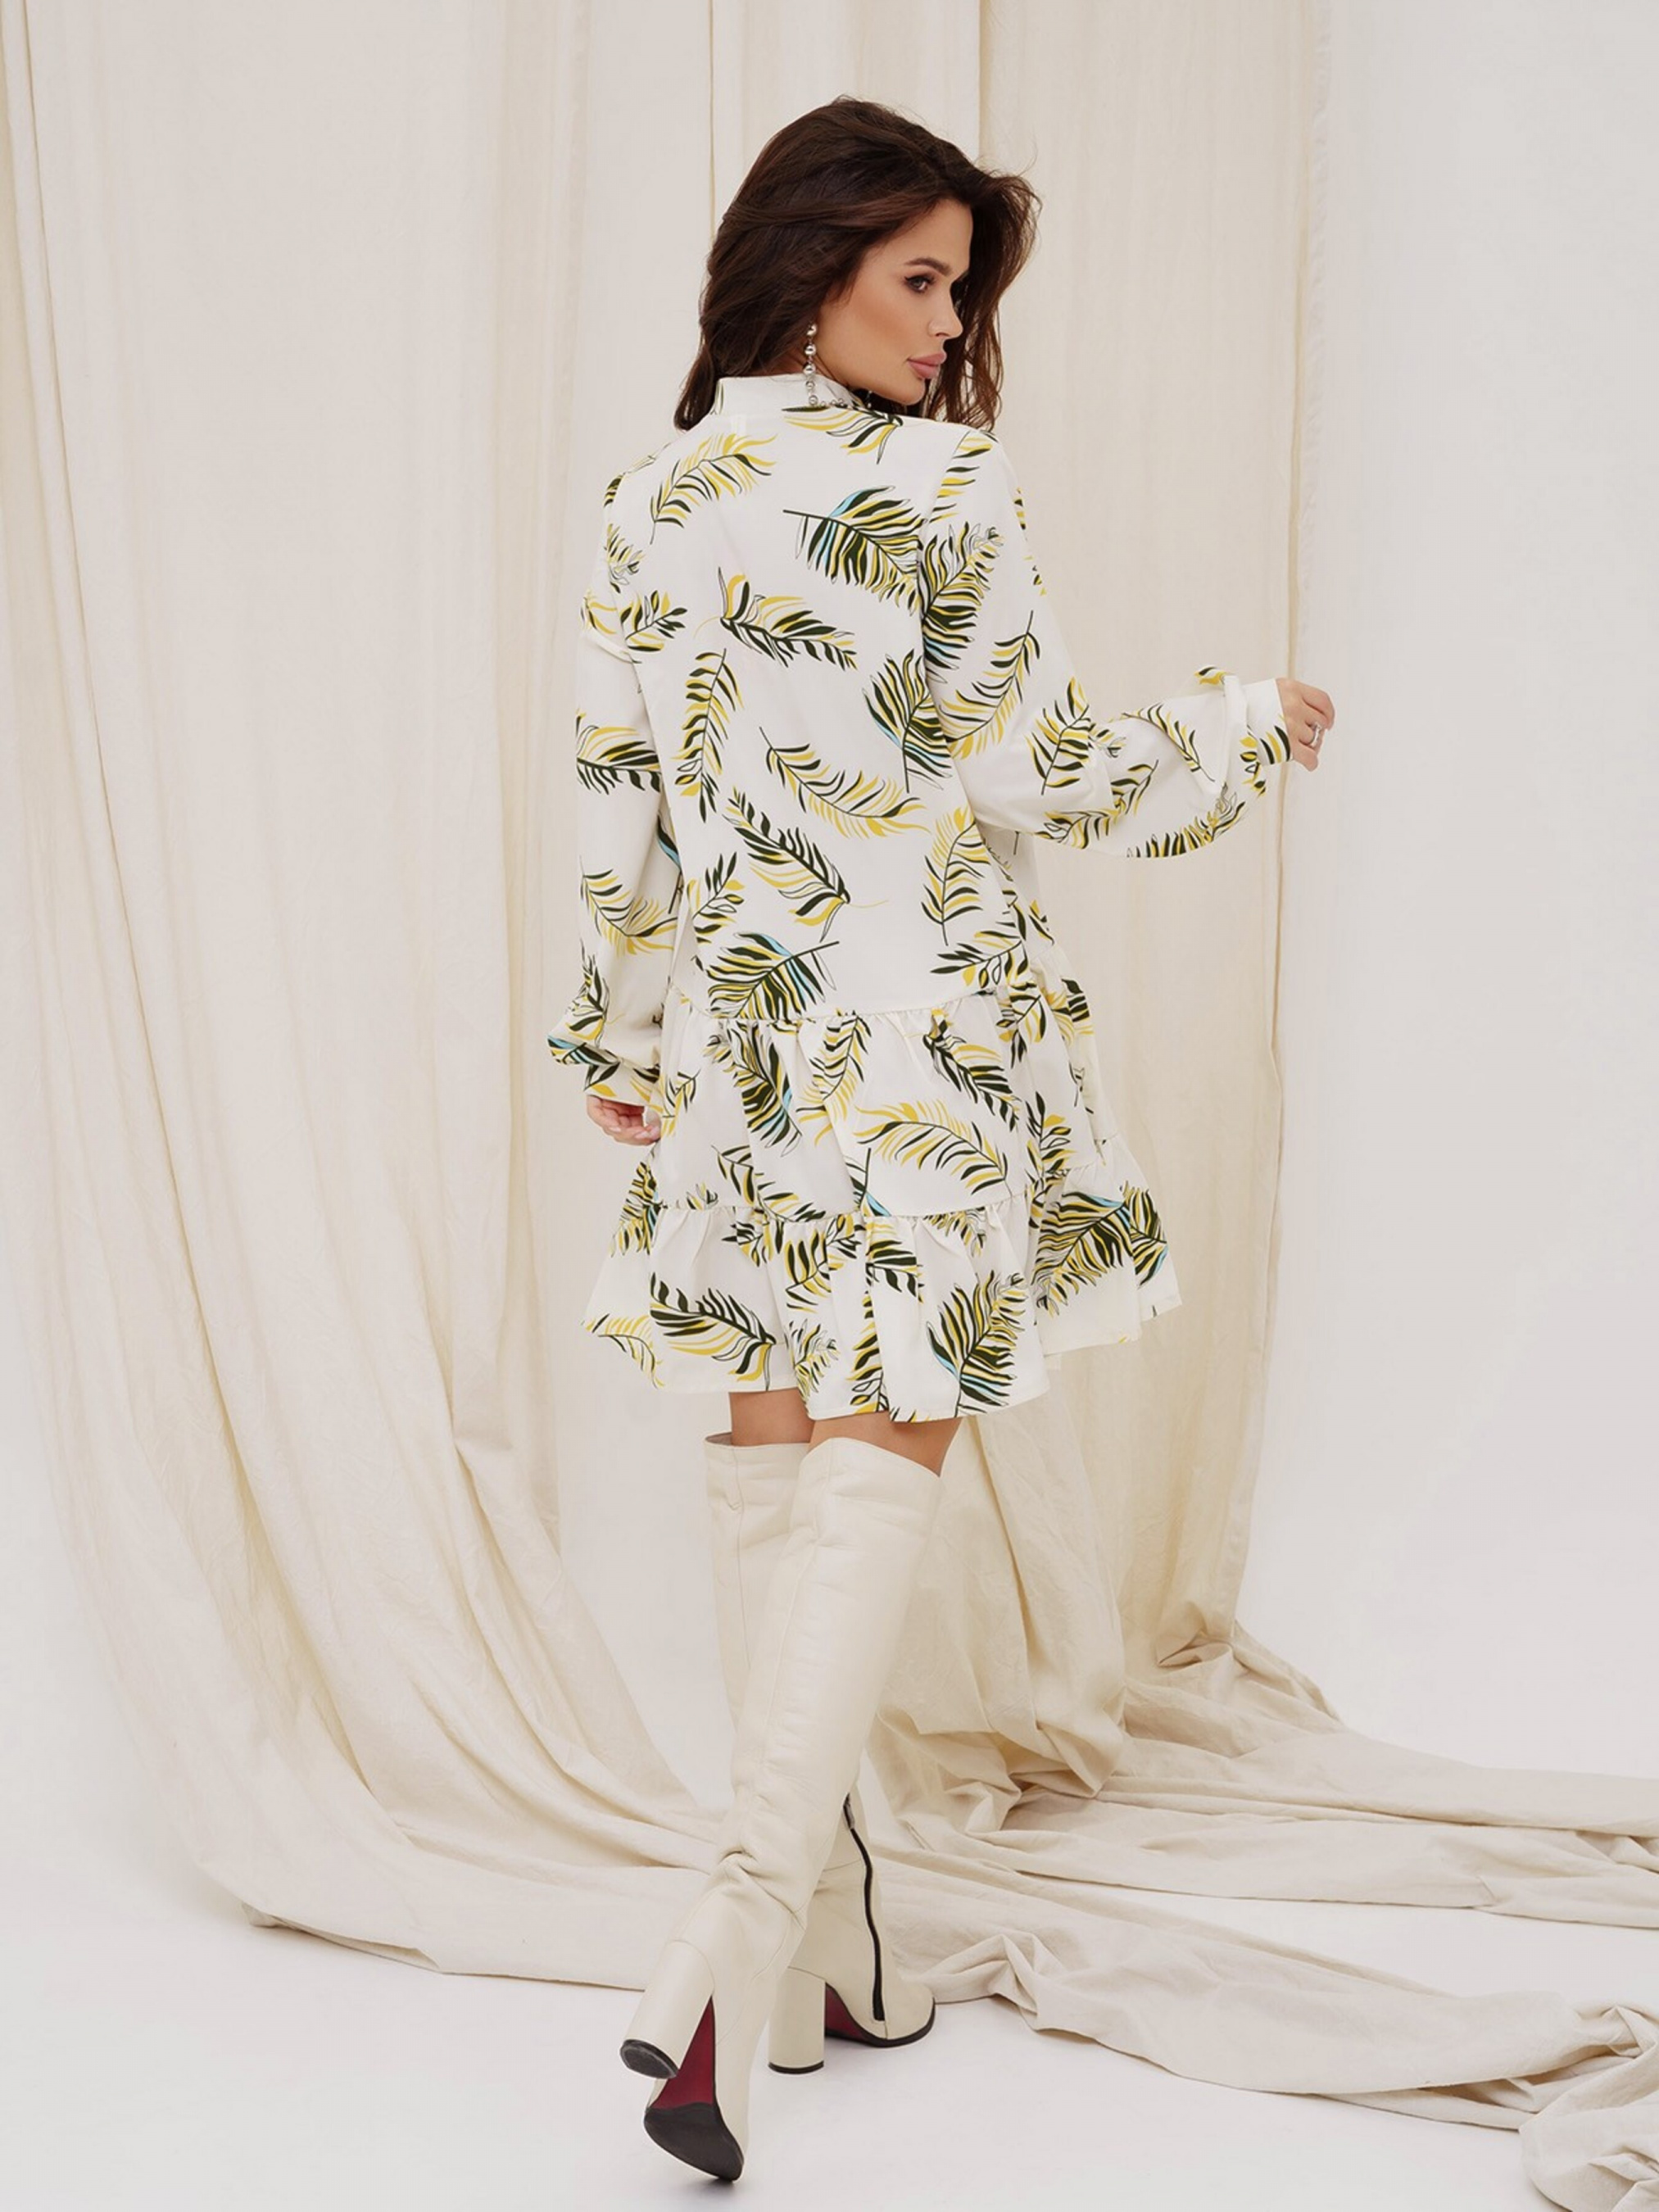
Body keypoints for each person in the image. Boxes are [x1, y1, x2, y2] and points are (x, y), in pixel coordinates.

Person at [546, 94, 1334, 2181]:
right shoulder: (933, 487)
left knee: (769, 1467)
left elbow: (620, 797)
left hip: (742, 1044)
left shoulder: (645, 500)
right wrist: (1241, 725)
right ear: (808, 267)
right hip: (916, 1041)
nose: (946, 326)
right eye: (919, 280)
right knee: (874, 1464)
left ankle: (826, 1955)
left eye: (958, 291)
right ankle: (729, 1932)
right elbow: (1043, 771)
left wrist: (619, 1029)